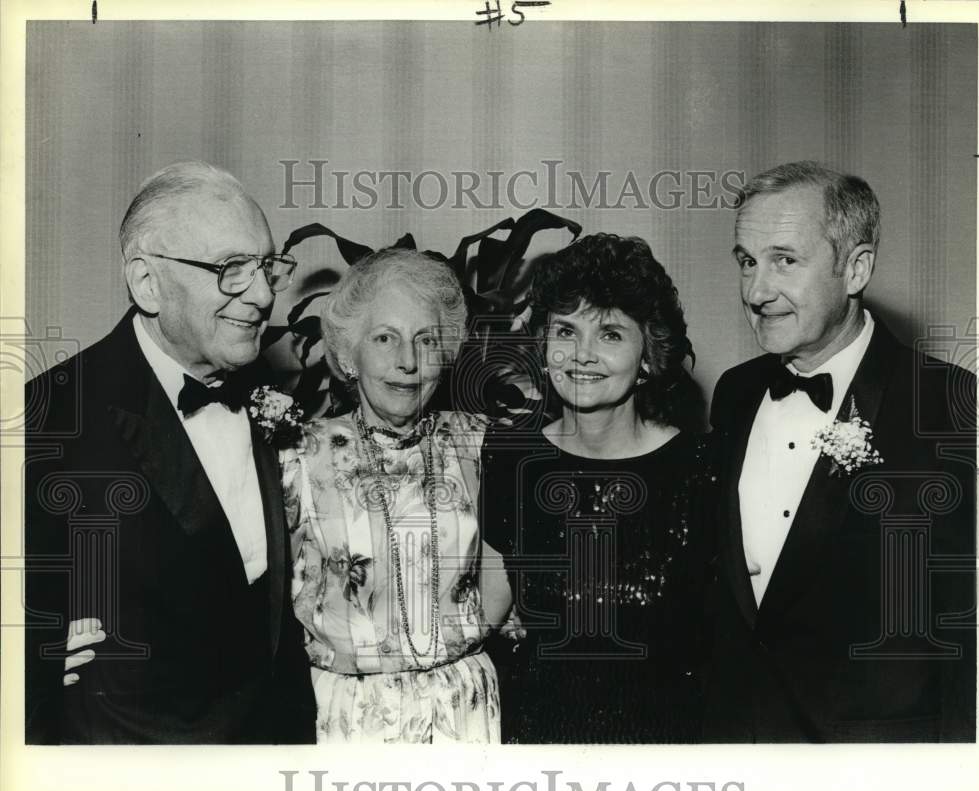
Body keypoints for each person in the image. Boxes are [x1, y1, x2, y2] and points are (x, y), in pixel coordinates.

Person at [24, 161, 316, 743]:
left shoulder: (264, 393)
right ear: (147, 284)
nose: (261, 296)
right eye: (230, 270)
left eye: (265, 266)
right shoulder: (47, 420)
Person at [704, 161, 976, 742]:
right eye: (747, 262)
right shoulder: (734, 393)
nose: (756, 292)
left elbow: (976, 625)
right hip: (739, 748)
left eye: (785, 260)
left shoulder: (952, 404)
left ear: (856, 268)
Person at [482, 233, 714, 743]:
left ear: (649, 355)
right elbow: (481, 617)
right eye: (566, 331)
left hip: (667, 758)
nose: (581, 355)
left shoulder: (701, 469)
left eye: (610, 334)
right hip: (537, 751)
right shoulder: (509, 459)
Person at [282, 247, 511, 743]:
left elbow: (511, 569)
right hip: (347, 713)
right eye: (385, 338)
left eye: (425, 340)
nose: (407, 362)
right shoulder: (298, 454)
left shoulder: (480, 443)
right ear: (347, 353)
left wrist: (455, 647)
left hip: (463, 708)